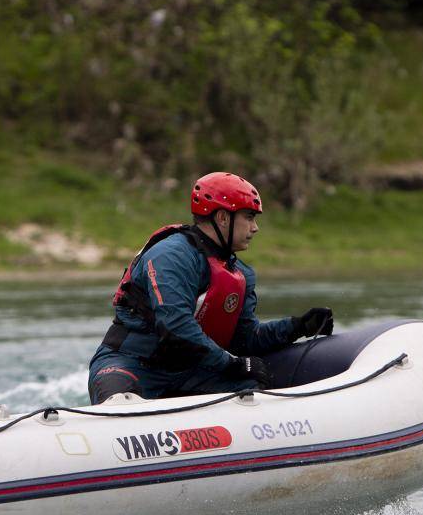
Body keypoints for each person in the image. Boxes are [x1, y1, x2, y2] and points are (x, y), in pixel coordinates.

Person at [87, 172, 335, 403]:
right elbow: (175, 327)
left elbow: (245, 338)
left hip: (190, 372)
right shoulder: (171, 256)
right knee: (119, 400)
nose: (255, 228)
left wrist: (297, 326)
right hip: (130, 363)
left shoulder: (240, 273)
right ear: (223, 217)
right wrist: (233, 364)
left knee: (253, 384)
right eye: (249, 217)